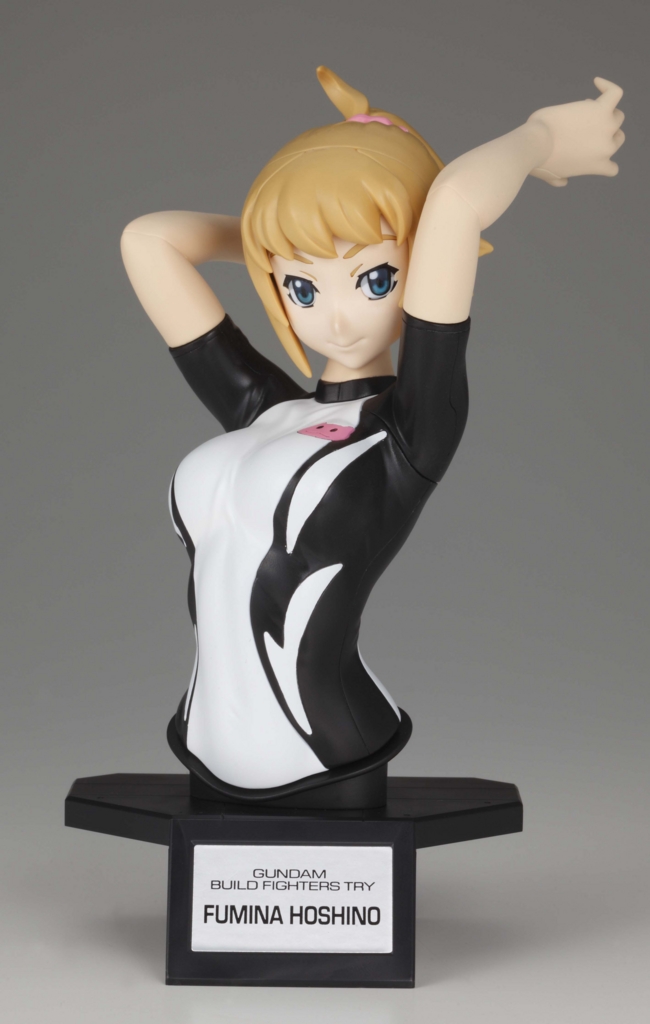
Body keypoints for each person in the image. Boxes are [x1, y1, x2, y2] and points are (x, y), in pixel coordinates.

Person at [121, 68, 624, 802]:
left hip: (330, 755)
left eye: (374, 278)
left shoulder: (410, 432)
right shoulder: (264, 411)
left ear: (422, 265)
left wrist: (539, 137)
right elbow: (148, 242)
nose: (336, 317)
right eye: (302, 289)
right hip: (200, 750)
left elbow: (455, 203)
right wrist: (278, 237)